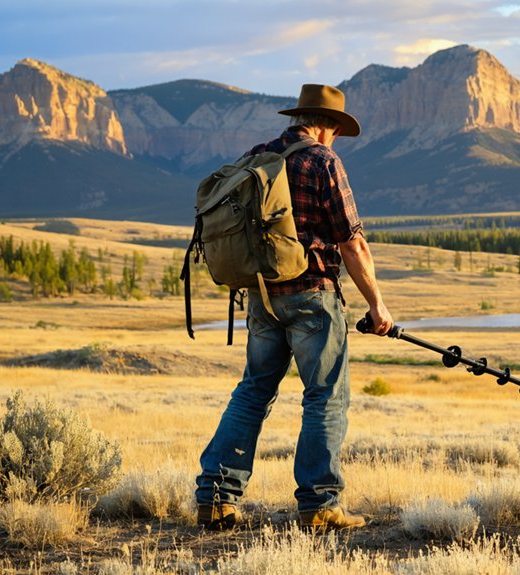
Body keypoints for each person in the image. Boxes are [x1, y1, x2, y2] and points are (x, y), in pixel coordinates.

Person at [195, 84, 394, 531]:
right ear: (328, 127)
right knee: (325, 397)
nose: (337, 139)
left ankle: (215, 497)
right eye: (337, 131)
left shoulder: (260, 156)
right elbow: (351, 241)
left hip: (263, 298)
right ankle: (320, 505)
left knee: (252, 393)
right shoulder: (323, 161)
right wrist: (377, 305)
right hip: (311, 298)